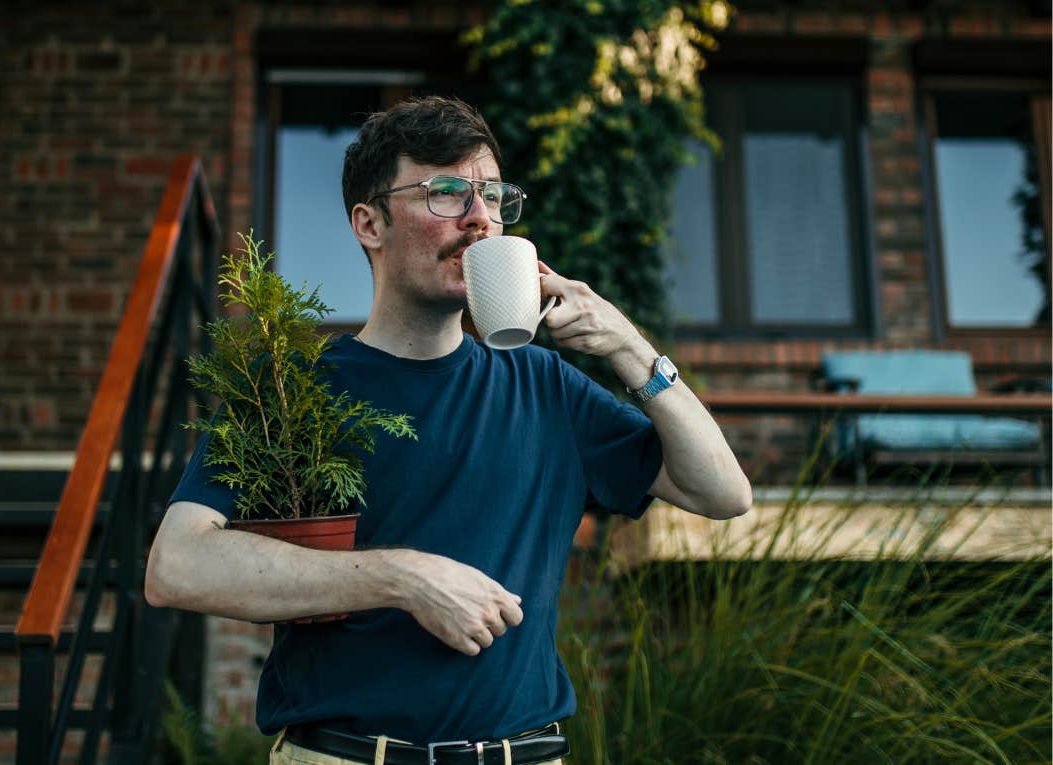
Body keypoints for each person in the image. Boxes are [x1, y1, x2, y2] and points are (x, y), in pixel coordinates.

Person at [145, 96, 752, 765]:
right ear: (369, 223)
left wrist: (630, 350)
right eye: (446, 193)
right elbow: (177, 565)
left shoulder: (547, 388)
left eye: (492, 196)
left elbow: (723, 492)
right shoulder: (290, 389)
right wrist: (403, 578)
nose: (479, 218)